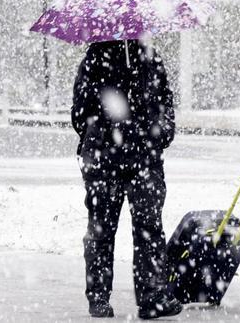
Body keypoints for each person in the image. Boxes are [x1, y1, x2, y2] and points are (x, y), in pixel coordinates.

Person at [71, 39, 184, 320]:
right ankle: (149, 297)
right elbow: (163, 103)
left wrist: (100, 134)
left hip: (117, 157)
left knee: (108, 229)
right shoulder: (142, 59)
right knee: (141, 229)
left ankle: (105, 298)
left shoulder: (96, 61)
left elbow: (79, 112)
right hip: (127, 158)